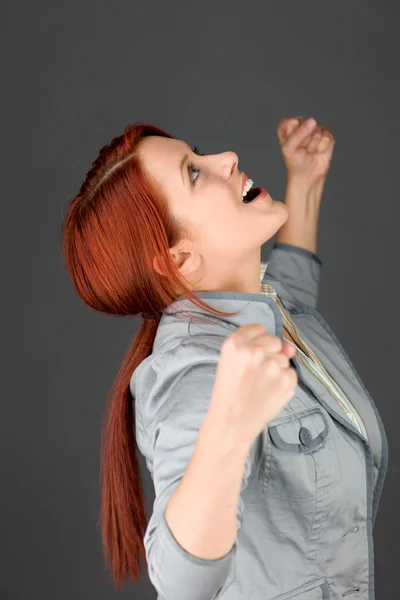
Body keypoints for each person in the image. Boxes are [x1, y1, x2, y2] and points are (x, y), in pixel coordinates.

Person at [62, 116, 388, 600]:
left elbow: (289, 297)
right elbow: (180, 580)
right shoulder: (193, 373)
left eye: (197, 153)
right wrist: (227, 430)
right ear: (179, 260)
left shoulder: (252, 306)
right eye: (193, 173)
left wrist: (305, 183)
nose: (227, 157)